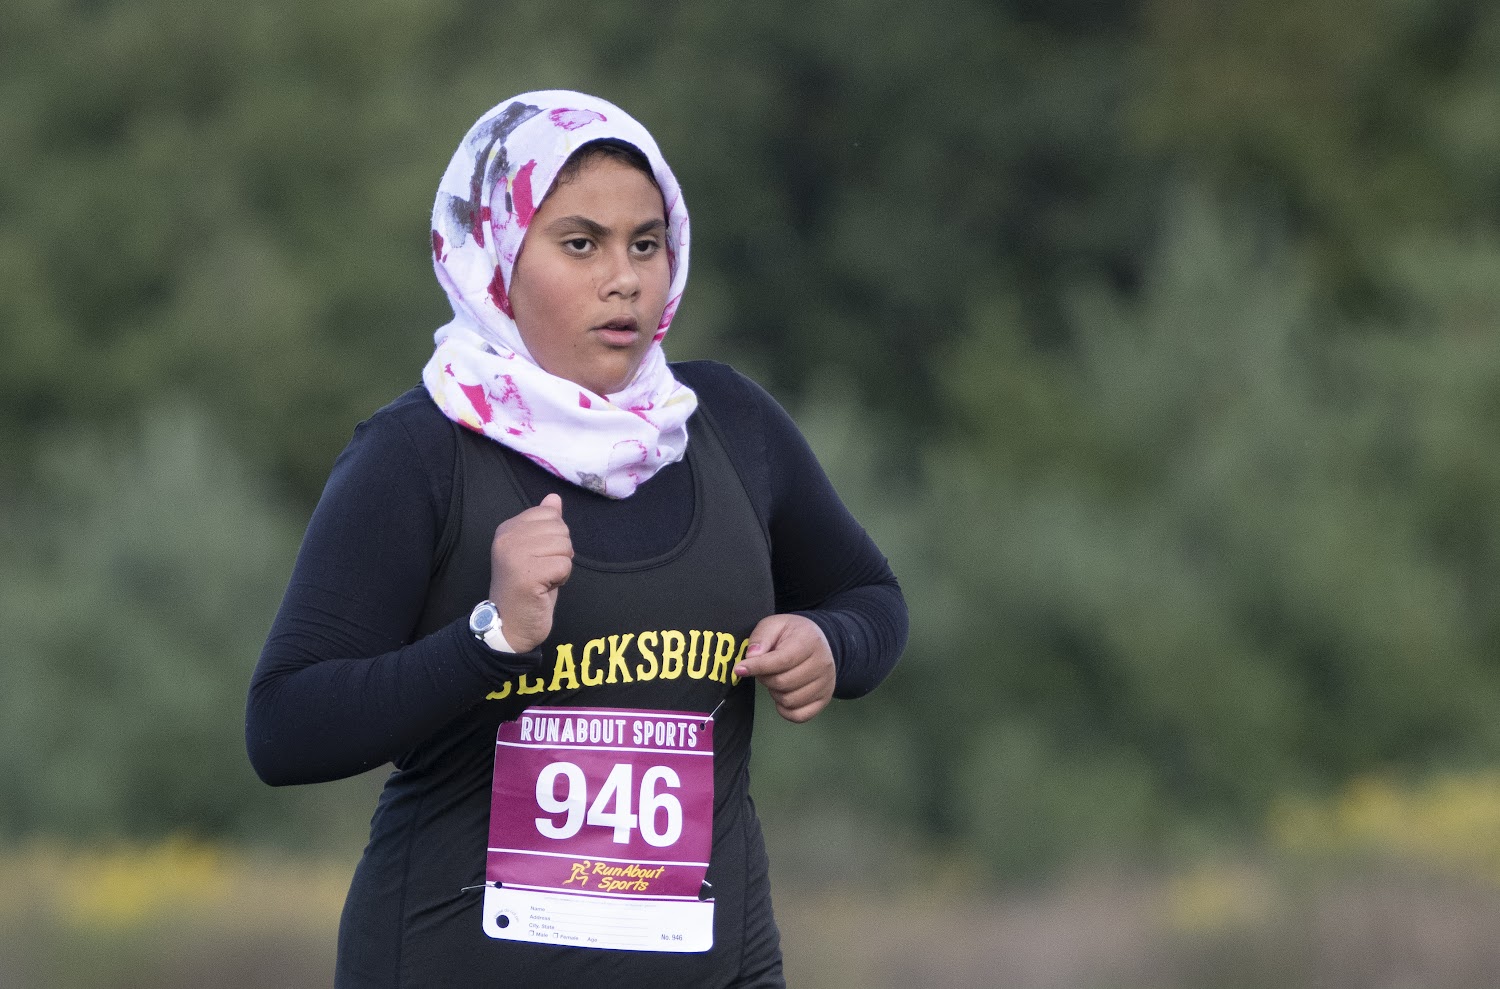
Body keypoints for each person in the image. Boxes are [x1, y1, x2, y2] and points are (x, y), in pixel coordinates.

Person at [246, 89, 907, 988]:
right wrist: (489, 638)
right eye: (581, 244)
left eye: (647, 243)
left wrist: (832, 642)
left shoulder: (729, 426)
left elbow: (872, 599)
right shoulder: (418, 452)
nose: (624, 278)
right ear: (498, 258)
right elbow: (283, 728)